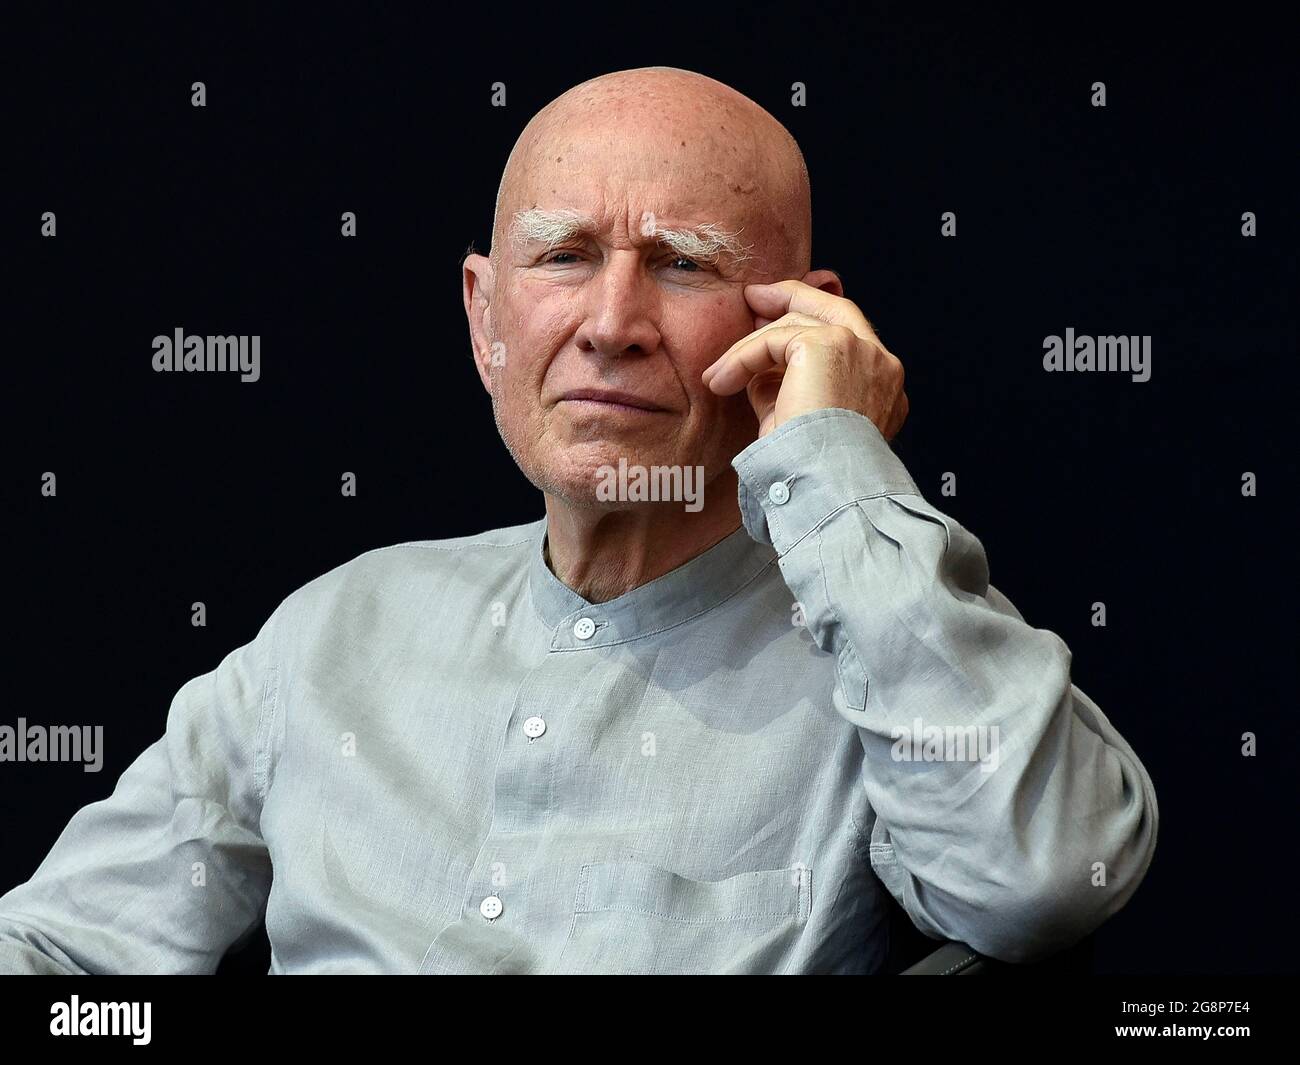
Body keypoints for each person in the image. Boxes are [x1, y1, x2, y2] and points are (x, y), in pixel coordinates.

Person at [0, 66, 1157, 974]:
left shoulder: (887, 646)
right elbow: (60, 950)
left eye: (683, 265)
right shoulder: (336, 632)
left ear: (804, 325)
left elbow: (1041, 881)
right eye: (561, 257)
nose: (611, 322)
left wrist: (835, 464)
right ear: (483, 316)